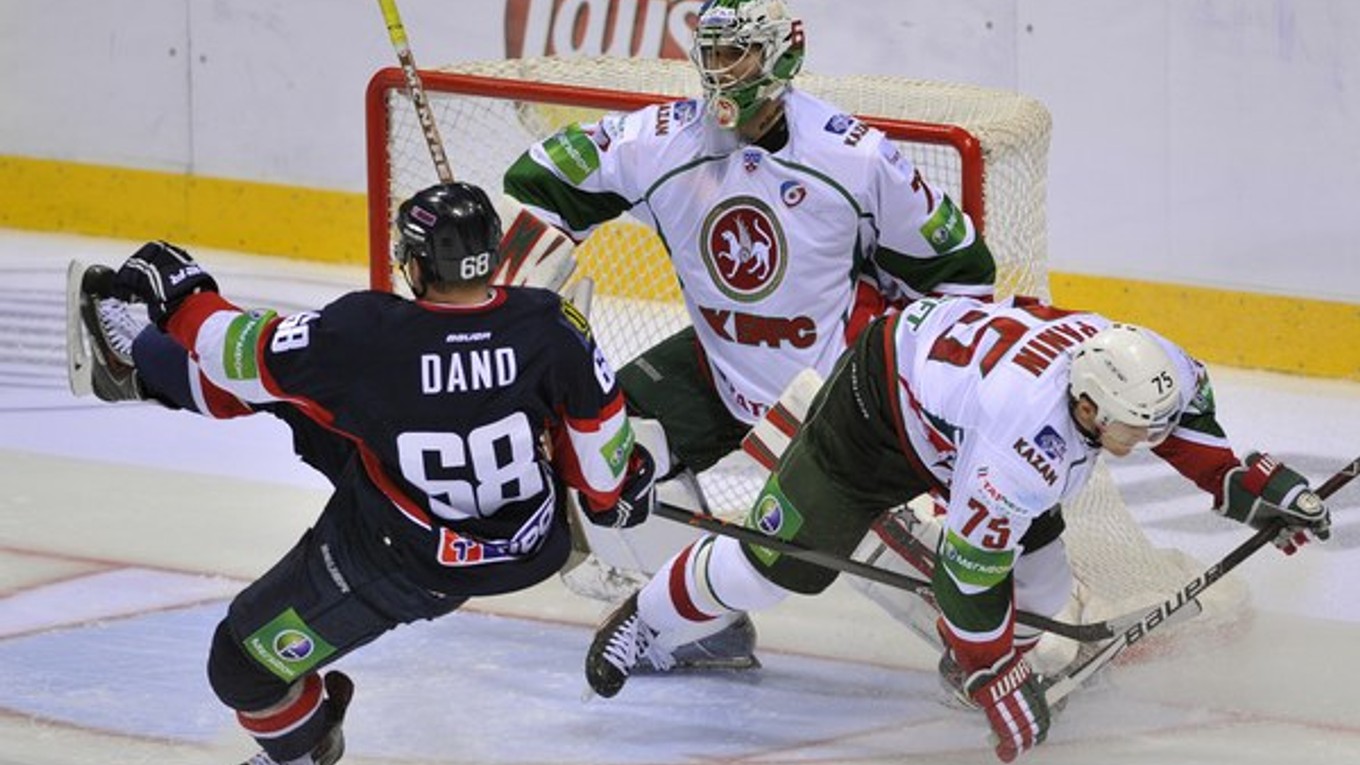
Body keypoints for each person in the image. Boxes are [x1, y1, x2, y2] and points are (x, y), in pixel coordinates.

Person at [581, 294, 1331, 762]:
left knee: (1044, 584)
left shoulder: (1140, 364)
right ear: (1091, 410)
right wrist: (994, 674)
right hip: (877, 414)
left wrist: (1249, 484)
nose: (1147, 437)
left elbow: (1184, 418)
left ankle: (962, 661)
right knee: (779, 566)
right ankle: (642, 621)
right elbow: (966, 574)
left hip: (960, 411)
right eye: (1132, 427)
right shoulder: (1025, 447)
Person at [70, 181, 659, 765]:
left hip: (404, 558)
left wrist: (184, 294)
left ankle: (302, 753)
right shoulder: (553, 324)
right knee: (297, 392)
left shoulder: (366, 337)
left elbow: (235, 353)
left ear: (419, 265)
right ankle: (137, 368)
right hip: (521, 542)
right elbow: (604, 477)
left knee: (241, 670)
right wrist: (625, 487)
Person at [500, 0, 996, 655]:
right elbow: (542, 181)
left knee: (901, 557)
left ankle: (996, 646)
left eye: (737, 53)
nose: (720, 72)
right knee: (602, 449)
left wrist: (913, 392)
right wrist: (499, 294)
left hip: (834, 401)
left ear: (781, 55)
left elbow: (960, 271)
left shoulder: (856, 158)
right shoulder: (667, 142)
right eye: (710, 54)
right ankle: (703, 629)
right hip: (717, 368)